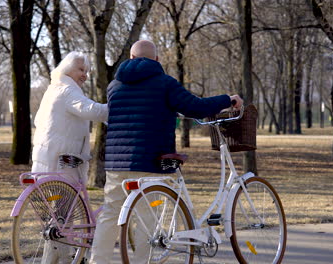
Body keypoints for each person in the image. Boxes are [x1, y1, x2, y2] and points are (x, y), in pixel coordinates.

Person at [89, 40, 243, 264]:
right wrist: (227, 100)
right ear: (157, 60)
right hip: (150, 161)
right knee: (146, 218)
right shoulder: (164, 83)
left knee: (110, 215)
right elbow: (195, 107)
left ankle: (97, 261)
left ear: (130, 58)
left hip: (116, 164)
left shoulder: (114, 86)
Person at [31, 51, 108, 264]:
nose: (85, 75)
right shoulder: (66, 90)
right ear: (67, 69)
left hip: (46, 158)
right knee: (63, 216)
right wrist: (120, 110)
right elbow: (90, 110)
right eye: (81, 70)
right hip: (61, 161)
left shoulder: (52, 89)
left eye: (87, 71)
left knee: (59, 218)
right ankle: (66, 260)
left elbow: (38, 119)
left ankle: (60, 259)